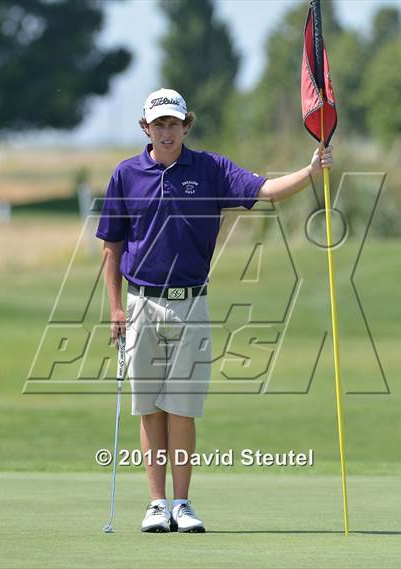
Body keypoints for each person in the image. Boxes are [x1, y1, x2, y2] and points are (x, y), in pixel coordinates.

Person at [96, 88, 333, 533]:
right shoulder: (126, 175)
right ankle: (156, 505)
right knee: (149, 408)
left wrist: (310, 170)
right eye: (158, 124)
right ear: (146, 128)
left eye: (174, 123)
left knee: (182, 409)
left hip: (191, 304)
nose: (167, 131)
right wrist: (114, 309)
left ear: (187, 125)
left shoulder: (210, 169)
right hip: (141, 303)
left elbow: (267, 191)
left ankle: (182, 505)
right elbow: (111, 246)